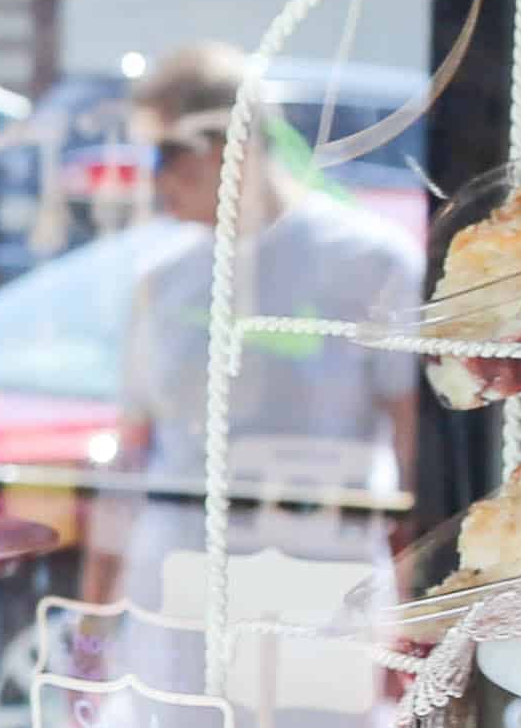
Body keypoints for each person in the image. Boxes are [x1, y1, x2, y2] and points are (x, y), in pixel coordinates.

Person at [109, 40, 424, 518]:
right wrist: (100, 583)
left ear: (231, 144)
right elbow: (132, 449)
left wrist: (416, 572)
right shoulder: (160, 275)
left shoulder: (372, 262)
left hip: (327, 577)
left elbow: (413, 438)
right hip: (173, 575)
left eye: (164, 154)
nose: (153, 179)